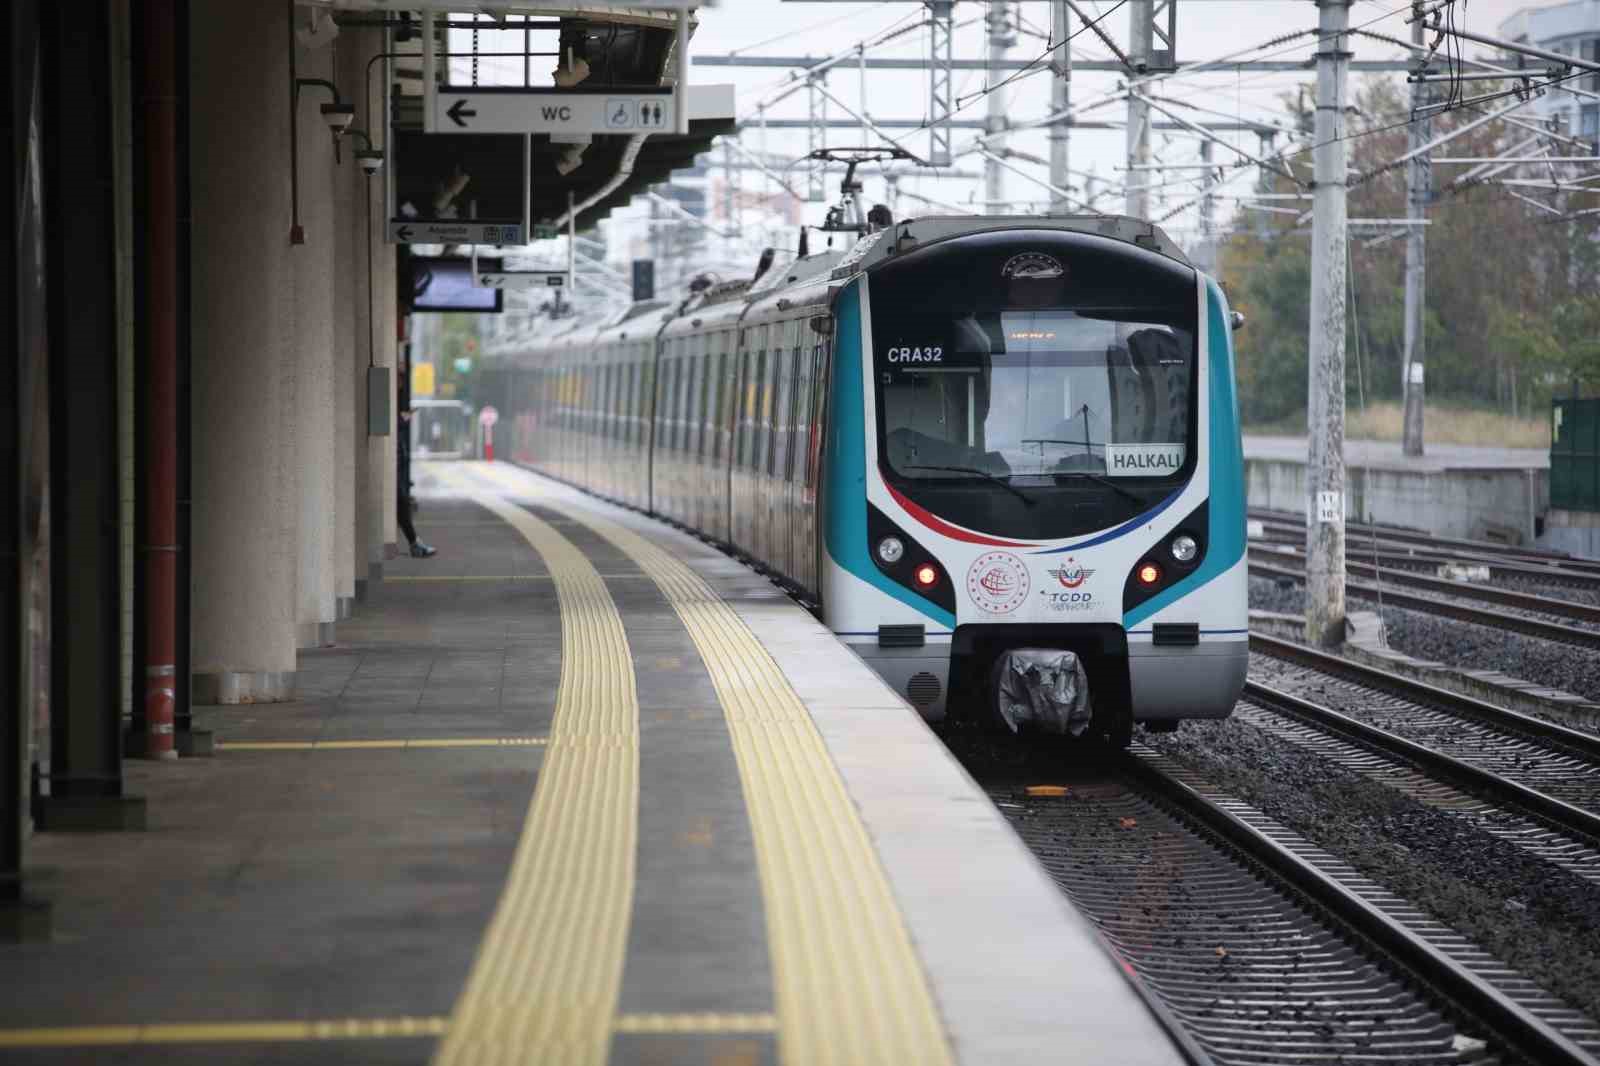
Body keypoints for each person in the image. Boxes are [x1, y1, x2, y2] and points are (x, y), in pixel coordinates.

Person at [397, 406, 437, 558]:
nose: (399, 383)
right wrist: (403, 418)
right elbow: (393, 426)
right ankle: (415, 544)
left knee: (402, 504)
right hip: (391, 466)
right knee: (401, 503)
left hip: (396, 466)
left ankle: (415, 544)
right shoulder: (391, 410)